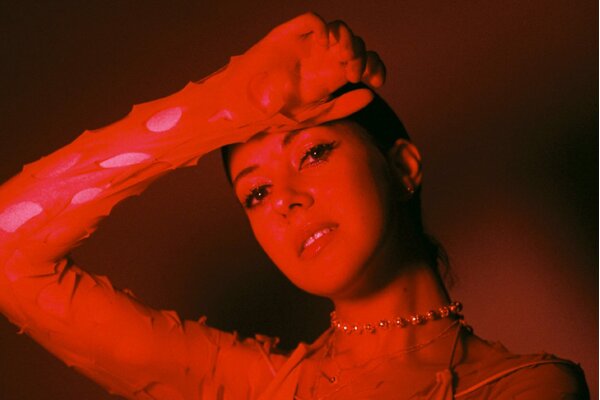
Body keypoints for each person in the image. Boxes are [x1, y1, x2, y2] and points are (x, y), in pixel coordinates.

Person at [0, 13, 589, 399]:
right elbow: (9, 249)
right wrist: (231, 100)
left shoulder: (530, 388)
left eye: (313, 153)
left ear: (403, 167)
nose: (284, 199)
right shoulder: (247, 385)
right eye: (255, 192)